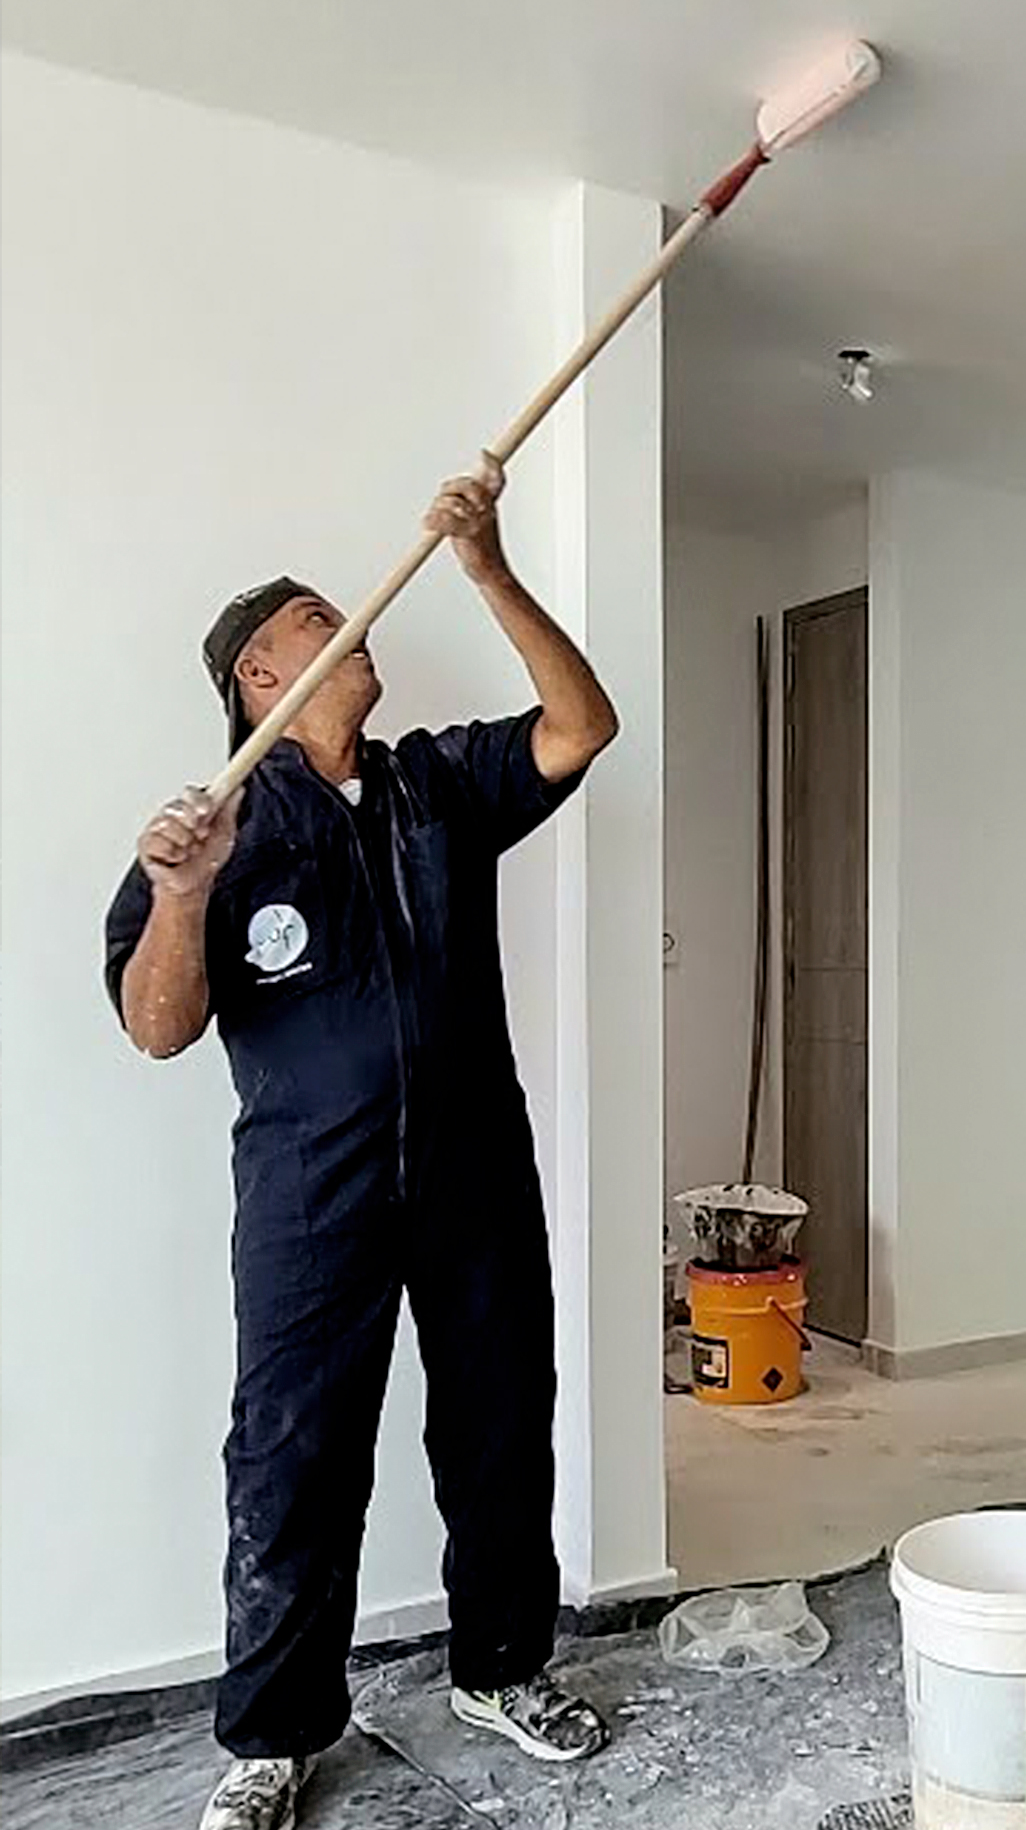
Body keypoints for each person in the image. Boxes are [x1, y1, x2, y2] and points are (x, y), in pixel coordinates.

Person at [105, 460, 619, 1830]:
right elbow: (157, 1027)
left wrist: (488, 566)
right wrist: (183, 895)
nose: (359, 623)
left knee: (500, 1426)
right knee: (294, 1457)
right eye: (321, 619)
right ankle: (274, 1739)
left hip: (474, 1177)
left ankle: (501, 1668)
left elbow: (584, 724)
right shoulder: (214, 830)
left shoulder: (436, 785)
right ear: (259, 676)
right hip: (307, 1199)